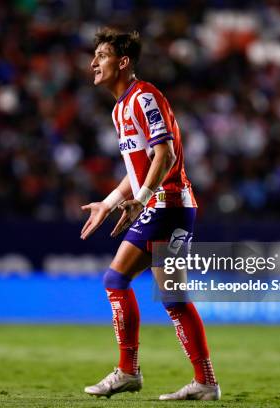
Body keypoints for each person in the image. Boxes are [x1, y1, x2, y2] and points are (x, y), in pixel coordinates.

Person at [80, 27, 221, 401]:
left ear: (122, 62)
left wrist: (141, 200)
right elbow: (138, 169)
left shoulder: (144, 98)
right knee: (169, 296)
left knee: (117, 280)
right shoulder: (119, 108)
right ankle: (202, 380)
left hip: (168, 204)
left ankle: (130, 371)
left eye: (102, 56)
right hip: (163, 204)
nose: (93, 62)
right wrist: (108, 203)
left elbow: (166, 155)